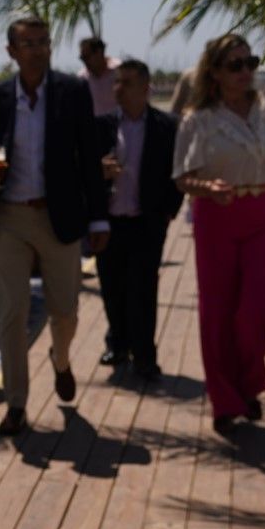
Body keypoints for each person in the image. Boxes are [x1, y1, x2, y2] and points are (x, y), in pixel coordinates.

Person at [0, 17, 110, 435]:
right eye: (27, 43)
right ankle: (17, 404)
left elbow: (89, 156)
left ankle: (61, 359)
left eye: (43, 42)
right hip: (11, 216)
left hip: (60, 216)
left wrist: (99, 216)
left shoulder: (71, 92)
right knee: (12, 314)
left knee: (64, 312)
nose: (37, 49)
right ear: (11, 51)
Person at [173, 33, 265, 433]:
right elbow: (182, 178)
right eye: (235, 65)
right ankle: (226, 400)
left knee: (256, 309)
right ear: (213, 72)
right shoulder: (198, 119)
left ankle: (250, 382)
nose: (246, 71)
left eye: (251, 62)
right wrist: (206, 189)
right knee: (217, 311)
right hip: (218, 214)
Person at [96, 60, 182, 380]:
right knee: (111, 287)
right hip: (109, 222)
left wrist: (168, 212)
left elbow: (178, 174)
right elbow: (84, 174)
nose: (118, 88)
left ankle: (145, 355)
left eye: (127, 82)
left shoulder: (166, 127)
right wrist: (99, 172)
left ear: (146, 88)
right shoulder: (101, 126)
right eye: (116, 82)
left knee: (143, 289)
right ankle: (117, 344)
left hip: (146, 222)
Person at [79, 36, 120, 118]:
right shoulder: (82, 78)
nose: (85, 62)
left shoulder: (119, 72)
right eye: (82, 58)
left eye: (87, 57)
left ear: (99, 53)